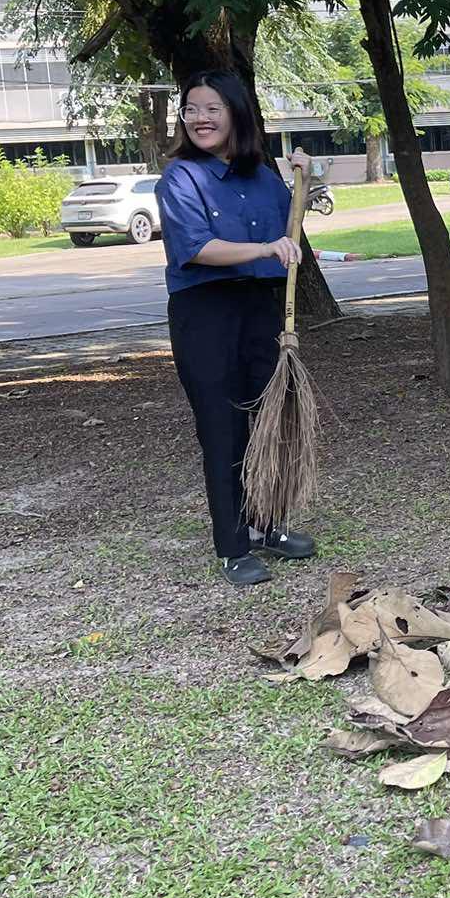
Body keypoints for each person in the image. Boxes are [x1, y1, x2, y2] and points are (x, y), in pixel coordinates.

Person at [156, 70, 318, 587]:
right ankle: (233, 545)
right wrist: (265, 248)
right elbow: (197, 248)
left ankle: (268, 525)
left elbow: (288, 229)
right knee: (223, 430)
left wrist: (304, 182)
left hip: (259, 309)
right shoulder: (180, 178)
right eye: (191, 109)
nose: (200, 119)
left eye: (211, 109)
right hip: (205, 313)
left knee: (270, 420)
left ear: (236, 113)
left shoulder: (263, 175)